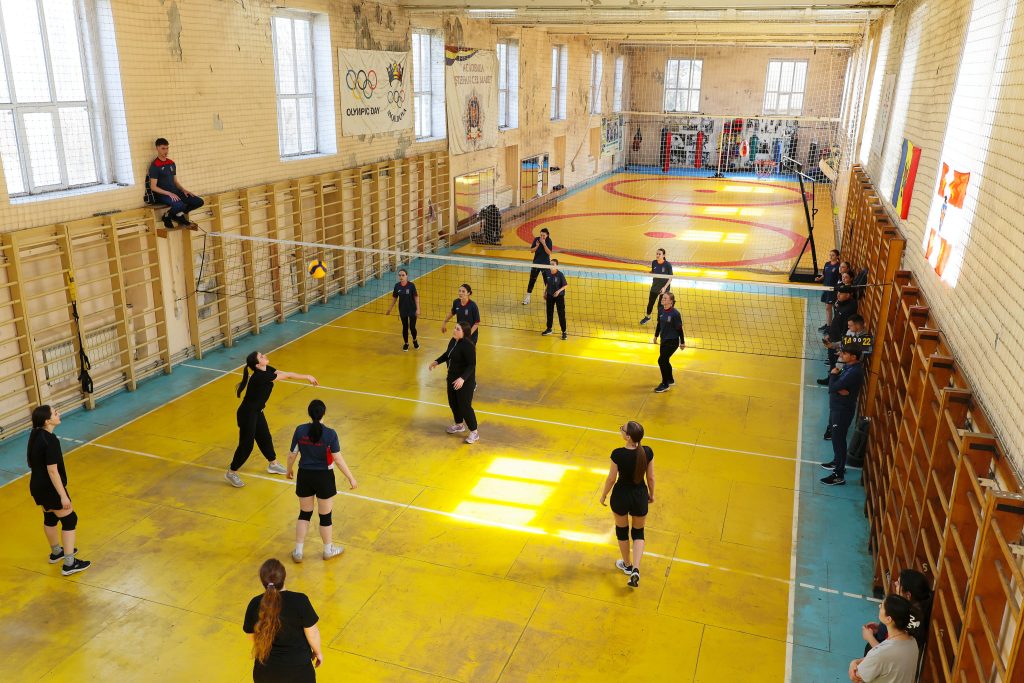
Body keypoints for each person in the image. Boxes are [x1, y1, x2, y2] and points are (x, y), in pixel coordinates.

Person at [226, 351, 319, 488]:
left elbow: (285, 373)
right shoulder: (260, 377)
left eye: (262, 354)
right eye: (261, 356)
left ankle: (273, 464)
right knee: (247, 445)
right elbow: (287, 375)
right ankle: (231, 472)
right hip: (247, 414)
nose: (264, 356)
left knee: (265, 437)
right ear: (258, 365)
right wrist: (307, 376)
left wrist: (303, 376)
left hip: (257, 411)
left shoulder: (267, 369)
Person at [286, 400, 357, 563]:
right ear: (324, 413)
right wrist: (351, 478)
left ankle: (298, 552)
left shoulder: (300, 430)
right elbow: (338, 459)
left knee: (304, 514)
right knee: (325, 516)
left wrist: (289, 470)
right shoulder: (330, 434)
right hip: (324, 477)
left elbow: (292, 454)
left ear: (309, 413)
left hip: (305, 476)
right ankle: (327, 550)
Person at [26, 405, 90, 576]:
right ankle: (69, 563)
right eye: (55, 413)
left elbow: (31, 462)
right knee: (70, 520)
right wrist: (63, 496)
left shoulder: (35, 434)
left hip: (37, 485)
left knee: (50, 517)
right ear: (48, 421)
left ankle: (56, 552)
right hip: (50, 487)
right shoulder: (51, 440)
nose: (58, 414)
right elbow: (52, 470)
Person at [243, 558, 323, 683]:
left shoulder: (255, 603)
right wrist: (318, 653)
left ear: (263, 581)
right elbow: (312, 634)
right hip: (299, 672)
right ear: (284, 576)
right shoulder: (300, 601)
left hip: (265, 672)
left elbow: (251, 636)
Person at [599, 421, 655, 588]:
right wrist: (651, 495)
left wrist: (603, 495)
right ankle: (636, 569)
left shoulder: (618, 454)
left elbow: (611, 479)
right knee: (638, 532)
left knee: (622, 531)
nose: (621, 430)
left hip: (621, 496)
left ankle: (627, 565)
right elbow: (650, 478)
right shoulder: (647, 452)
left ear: (628, 437)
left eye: (622, 429)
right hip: (639, 496)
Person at [848, 594, 921, 683]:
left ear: (888, 619)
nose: (879, 607)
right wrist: (858, 661)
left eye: (882, 606)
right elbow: (886, 660)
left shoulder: (880, 653)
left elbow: (856, 677)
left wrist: (853, 663)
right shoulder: (912, 642)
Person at [820, 344, 865, 486]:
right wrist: (837, 386)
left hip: (842, 410)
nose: (841, 355)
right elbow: (837, 388)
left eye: (844, 354)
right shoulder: (849, 367)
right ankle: (837, 462)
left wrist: (833, 375)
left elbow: (833, 387)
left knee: (839, 440)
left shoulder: (854, 372)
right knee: (836, 438)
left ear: (853, 357)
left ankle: (838, 475)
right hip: (837, 407)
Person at [429, 320, 479, 444]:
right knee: (453, 403)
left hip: (464, 381)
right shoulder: (453, 341)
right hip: (451, 377)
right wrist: (437, 361)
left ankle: (474, 432)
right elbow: (448, 354)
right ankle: (459, 425)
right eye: (455, 328)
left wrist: (462, 379)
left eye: (458, 329)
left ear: (464, 333)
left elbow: (471, 365)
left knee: (465, 406)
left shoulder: (468, 346)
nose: (454, 330)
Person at [863, 569, 932, 654]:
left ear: (908, 595)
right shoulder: (909, 609)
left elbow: (888, 654)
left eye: (899, 583)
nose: (895, 583)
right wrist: (883, 627)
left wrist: (869, 638)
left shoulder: (911, 621)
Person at [148, 137, 204, 230]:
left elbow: (175, 181)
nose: (166, 151)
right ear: (157, 148)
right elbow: (153, 187)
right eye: (163, 148)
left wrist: (184, 190)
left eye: (167, 148)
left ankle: (177, 214)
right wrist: (168, 193)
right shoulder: (155, 166)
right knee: (180, 204)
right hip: (163, 194)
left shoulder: (171, 163)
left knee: (198, 201)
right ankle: (167, 216)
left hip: (175, 191)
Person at [819, 286, 858, 382]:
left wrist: (841, 345)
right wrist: (829, 333)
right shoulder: (841, 303)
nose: (838, 295)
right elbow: (836, 320)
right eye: (838, 293)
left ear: (848, 295)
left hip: (838, 340)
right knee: (832, 360)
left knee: (836, 362)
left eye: (841, 293)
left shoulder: (849, 308)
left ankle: (833, 380)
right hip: (833, 336)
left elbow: (845, 328)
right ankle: (831, 378)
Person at [653, 292, 684, 393]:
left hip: (672, 341)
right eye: (663, 298)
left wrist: (682, 342)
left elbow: (679, 329)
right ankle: (670, 380)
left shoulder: (675, 314)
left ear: (671, 301)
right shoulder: (661, 310)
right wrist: (656, 336)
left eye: (665, 298)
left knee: (661, 361)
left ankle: (665, 384)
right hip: (664, 340)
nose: (663, 299)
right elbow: (659, 324)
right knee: (665, 360)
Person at [385, 269, 420, 351]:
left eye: (403, 275)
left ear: (406, 276)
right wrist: (390, 309)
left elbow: (416, 297)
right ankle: (406, 343)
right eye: (400, 275)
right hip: (403, 310)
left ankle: (414, 340)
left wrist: (418, 309)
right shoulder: (397, 286)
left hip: (412, 309)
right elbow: (394, 298)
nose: (401, 277)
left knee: (412, 327)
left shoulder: (411, 285)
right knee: (405, 327)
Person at [640, 248, 673, 325]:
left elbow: (670, 278)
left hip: (664, 289)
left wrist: (664, 288)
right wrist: (648, 273)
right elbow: (653, 271)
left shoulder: (668, 265)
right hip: (655, 287)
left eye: (659, 254)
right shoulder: (654, 262)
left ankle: (660, 321)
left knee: (660, 306)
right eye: (657, 254)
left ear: (663, 255)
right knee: (650, 303)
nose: (657, 255)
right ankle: (647, 317)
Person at [522, 228, 553, 305]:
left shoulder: (549, 241)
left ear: (547, 235)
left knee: (547, 282)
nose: (542, 237)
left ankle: (549, 298)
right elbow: (532, 251)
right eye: (541, 235)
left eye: (544, 235)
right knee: (532, 280)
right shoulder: (536, 239)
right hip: (536, 263)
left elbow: (549, 253)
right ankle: (527, 297)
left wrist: (544, 244)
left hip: (545, 265)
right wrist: (537, 246)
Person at [541, 258, 568, 340]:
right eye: (550, 264)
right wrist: (545, 292)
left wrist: (558, 291)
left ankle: (564, 332)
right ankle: (549, 329)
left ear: (556, 266)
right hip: (550, 295)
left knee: (561, 314)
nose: (551, 265)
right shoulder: (548, 273)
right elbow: (547, 283)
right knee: (549, 312)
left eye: (553, 264)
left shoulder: (560, 274)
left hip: (559, 296)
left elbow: (565, 285)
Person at [816, 249, 841, 332]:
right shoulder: (827, 264)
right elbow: (824, 274)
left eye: (833, 255)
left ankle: (830, 326)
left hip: (832, 290)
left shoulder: (838, 266)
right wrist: (819, 279)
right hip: (825, 288)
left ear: (837, 256)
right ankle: (828, 324)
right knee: (828, 308)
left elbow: (840, 278)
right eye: (830, 255)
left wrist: (838, 290)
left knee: (829, 307)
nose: (831, 256)